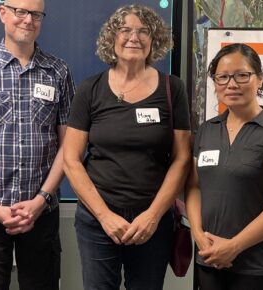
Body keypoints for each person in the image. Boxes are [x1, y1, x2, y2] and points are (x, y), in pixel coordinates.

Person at [62, 4, 190, 289]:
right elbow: (71, 159)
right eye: (126, 30)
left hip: (152, 222)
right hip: (98, 221)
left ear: (154, 39)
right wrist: (105, 216)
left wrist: (153, 216)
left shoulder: (173, 89)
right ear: (112, 38)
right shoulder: (90, 89)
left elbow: (182, 159)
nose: (135, 37)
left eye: (144, 31)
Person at [0, 0, 74, 288]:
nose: (28, 19)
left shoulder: (58, 72)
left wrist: (40, 200)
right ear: (3, 13)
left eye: (36, 14)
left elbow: (68, 146)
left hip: (41, 211)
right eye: (21, 11)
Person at [185, 43, 263, 290]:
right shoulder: (207, 130)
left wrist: (234, 246)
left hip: (258, 268)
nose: (232, 84)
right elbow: (195, 186)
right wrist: (197, 234)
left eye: (242, 75)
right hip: (210, 260)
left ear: (259, 79)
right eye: (223, 77)